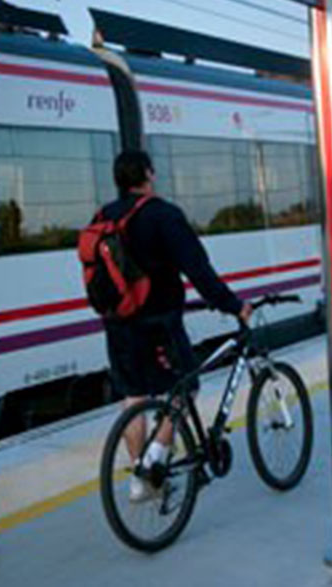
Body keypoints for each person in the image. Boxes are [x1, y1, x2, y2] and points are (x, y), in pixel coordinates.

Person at [99, 149, 252, 502]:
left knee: (133, 396)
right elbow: (198, 270)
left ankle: (140, 479)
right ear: (149, 174)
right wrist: (233, 306)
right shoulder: (163, 215)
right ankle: (153, 462)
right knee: (186, 387)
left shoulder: (104, 216)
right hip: (159, 324)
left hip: (117, 323)